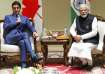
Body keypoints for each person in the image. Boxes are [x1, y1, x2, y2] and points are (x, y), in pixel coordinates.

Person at [3, 1, 41, 68]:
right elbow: (5, 27)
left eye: (17, 8)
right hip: (10, 38)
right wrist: (15, 23)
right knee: (25, 34)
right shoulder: (8, 17)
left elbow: (30, 26)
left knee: (22, 42)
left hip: (20, 38)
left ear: (20, 9)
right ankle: (33, 55)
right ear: (12, 9)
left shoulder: (24, 18)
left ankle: (23, 64)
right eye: (14, 8)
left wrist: (34, 32)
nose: (16, 9)